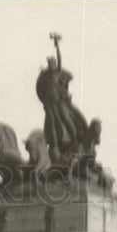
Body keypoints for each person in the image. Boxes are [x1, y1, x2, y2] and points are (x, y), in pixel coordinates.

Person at [36, 33, 88, 163]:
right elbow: (39, 88)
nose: (52, 64)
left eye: (53, 62)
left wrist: (57, 44)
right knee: (50, 123)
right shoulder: (45, 75)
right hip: (49, 103)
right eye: (50, 62)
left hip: (59, 101)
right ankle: (53, 144)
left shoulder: (58, 72)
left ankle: (75, 138)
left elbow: (60, 59)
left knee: (65, 117)